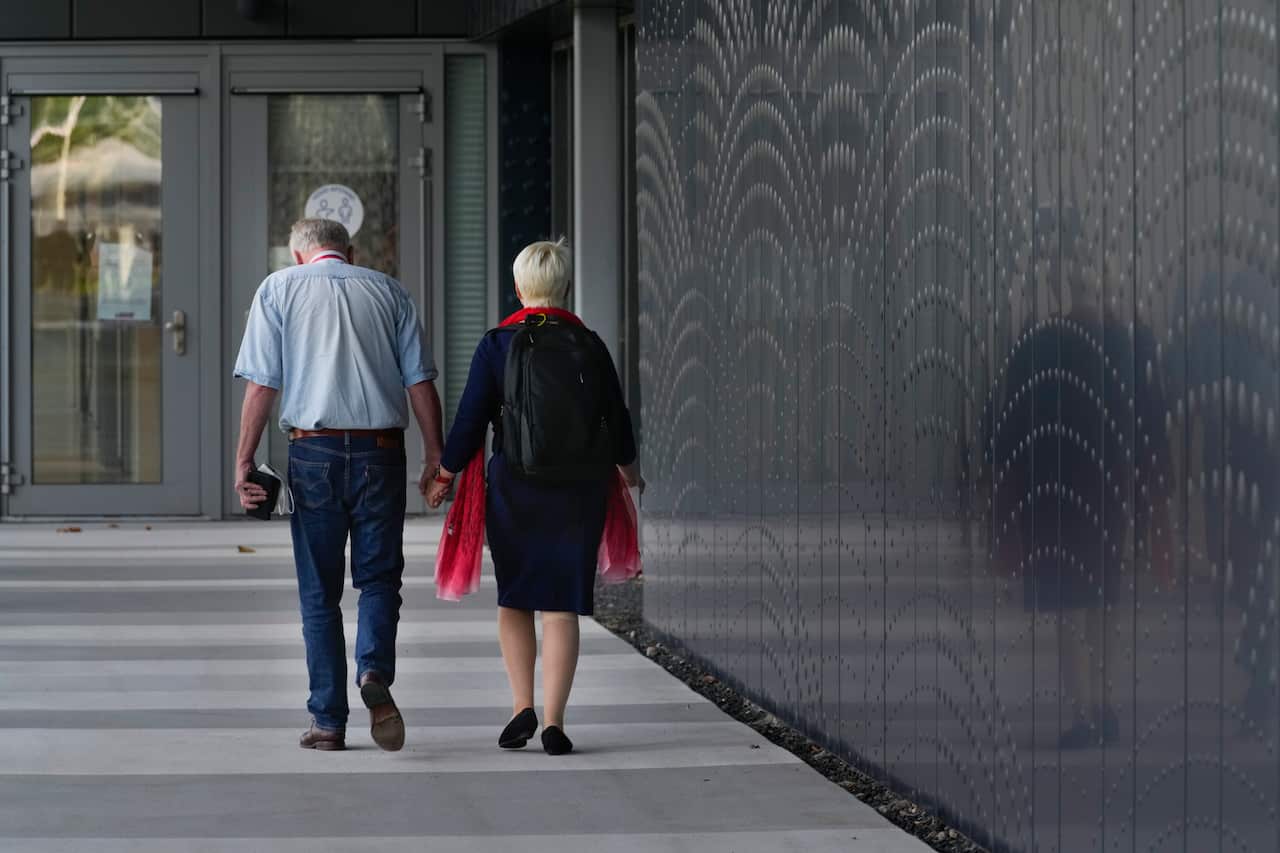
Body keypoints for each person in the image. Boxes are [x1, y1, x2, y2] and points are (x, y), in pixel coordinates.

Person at [232, 218, 444, 752]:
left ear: (297, 253)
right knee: (378, 579)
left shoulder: (279, 287)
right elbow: (419, 381)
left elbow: (263, 383)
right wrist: (436, 457)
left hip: (314, 451)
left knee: (319, 593)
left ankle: (328, 722)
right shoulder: (389, 290)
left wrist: (244, 460)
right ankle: (373, 670)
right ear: (349, 252)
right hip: (382, 454)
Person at [426, 239, 642, 755]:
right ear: (563, 286)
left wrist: (444, 474)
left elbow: (469, 422)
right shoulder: (588, 342)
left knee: (516, 597)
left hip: (515, 487)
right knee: (562, 607)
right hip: (580, 489)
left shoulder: (497, 344)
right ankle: (554, 722)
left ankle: (521, 705)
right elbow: (618, 420)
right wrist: (630, 473)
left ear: (520, 287)